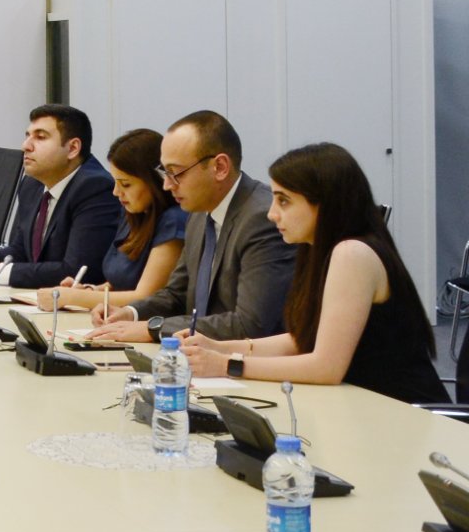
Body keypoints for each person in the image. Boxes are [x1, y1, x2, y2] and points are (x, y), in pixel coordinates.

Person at [178, 143, 446, 404]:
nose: (271, 214)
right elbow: (303, 339)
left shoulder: (352, 254)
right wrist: (218, 347)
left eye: (284, 201)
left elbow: (326, 368)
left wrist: (226, 364)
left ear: (325, 204)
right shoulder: (318, 250)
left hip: (403, 412)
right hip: (363, 404)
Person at [89, 110, 294, 341]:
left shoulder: (262, 219)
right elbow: (176, 294)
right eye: (164, 172)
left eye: (176, 173)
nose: (167, 185)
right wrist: (131, 313)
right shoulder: (198, 214)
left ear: (220, 167)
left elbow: (250, 324)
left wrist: (153, 328)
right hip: (201, 353)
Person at [0, 105, 121, 289]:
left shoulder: (95, 188)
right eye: (27, 136)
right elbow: (22, 251)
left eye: (40, 137)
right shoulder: (32, 184)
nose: (26, 146)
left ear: (72, 148)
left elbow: (78, 270)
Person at [32, 128, 186, 312]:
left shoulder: (173, 220)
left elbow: (145, 297)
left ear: (154, 182)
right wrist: (90, 290)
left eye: (126, 184)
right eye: (115, 182)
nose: (116, 192)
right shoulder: (132, 214)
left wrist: (72, 297)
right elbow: (119, 283)